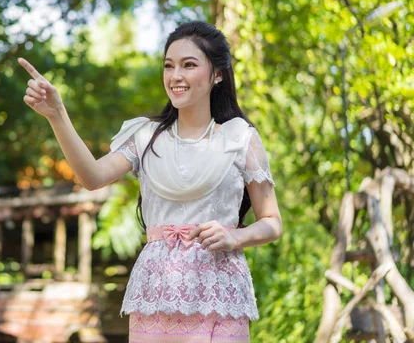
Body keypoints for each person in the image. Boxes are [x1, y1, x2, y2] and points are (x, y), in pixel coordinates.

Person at [18, 21, 282, 343]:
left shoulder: (240, 138)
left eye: (189, 65)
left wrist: (234, 236)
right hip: (156, 290)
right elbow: (92, 177)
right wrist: (57, 115)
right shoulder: (144, 136)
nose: (176, 76)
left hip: (219, 289)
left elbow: (271, 222)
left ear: (218, 74)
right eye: (169, 66)